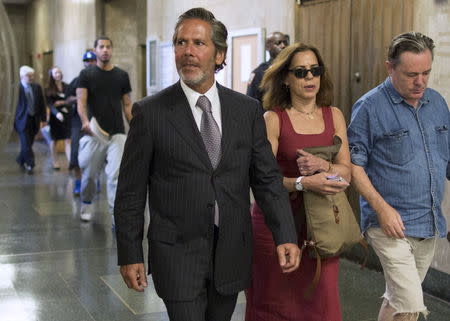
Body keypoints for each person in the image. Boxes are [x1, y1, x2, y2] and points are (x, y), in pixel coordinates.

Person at [114, 8, 300, 321]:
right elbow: (130, 193)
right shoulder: (150, 113)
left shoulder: (246, 111)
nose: (188, 51)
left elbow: (267, 180)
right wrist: (129, 254)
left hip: (230, 251)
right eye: (180, 43)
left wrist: (285, 234)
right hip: (176, 254)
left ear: (218, 54)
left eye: (198, 43)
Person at [245, 42, 351, 321]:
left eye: (315, 71)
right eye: (301, 72)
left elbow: (346, 172)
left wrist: (324, 166)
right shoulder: (273, 119)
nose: (309, 78)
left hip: (320, 228)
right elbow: (262, 181)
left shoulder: (334, 115)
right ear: (285, 78)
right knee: (273, 304)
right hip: (276, 226)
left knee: (322, 303)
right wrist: (303, 183)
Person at [347, 32, 449, 321]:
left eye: (426, 73)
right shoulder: (370, 107)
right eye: (411, 74)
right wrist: (382, 208)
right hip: (388, 225)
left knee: (399, 301)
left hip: (428, 222)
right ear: (390, 68)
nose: (421, 82)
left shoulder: (438, 104)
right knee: (409, 303)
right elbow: (354, 166)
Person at [76, 36, 132, 222]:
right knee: (90, 175)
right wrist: (84, 121)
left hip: (117, 133)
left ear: (112, 50)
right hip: (95, 132)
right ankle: (86, 202)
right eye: (101, 47)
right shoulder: (86, 75)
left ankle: (115, 215)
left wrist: (136, 126)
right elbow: (81, 102)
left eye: (108, 46)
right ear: (95, 50)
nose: (105, 50)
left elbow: (127, 105)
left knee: (115, 175)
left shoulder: (122, 75)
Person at [66, 50, 97, 195]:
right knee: (75, 153)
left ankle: (94, 180)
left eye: (92, 61)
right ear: (84, 62)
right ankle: (78, 183)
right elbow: (67, 99)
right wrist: (79, 98)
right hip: (78, 121)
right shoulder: (77, 80)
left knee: (96, 154)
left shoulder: (101, 79)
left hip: (96, 120)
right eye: (87, 61)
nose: (90, 63)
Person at [14, 66, 46, 174]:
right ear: (22, 76)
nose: (31, 78)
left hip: (34, 120)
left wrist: (44, 118)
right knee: (25, 143)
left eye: (32, 75)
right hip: (21, 120)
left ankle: (20, 159)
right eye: (29, 76)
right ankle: (30, 164)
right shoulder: (16, 88)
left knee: (29, 142)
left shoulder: (37, 87)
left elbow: (42, 103)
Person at [246, 31, 289, 104]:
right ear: (268, 47)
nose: (283, 46)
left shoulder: (292, 68)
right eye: (278, 43)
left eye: (285, 42)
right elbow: (250, 101)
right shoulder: (259, 73)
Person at [45, 66, 71, 169]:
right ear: (51, 75)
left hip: (67, 115)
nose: (58, 74)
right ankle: (55, 162)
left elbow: (71, 99)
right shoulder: (48, 89)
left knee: (68, 139)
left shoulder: (67, 86)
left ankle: (71, 162)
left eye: (59, 72)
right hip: (55, 117)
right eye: (55, 73)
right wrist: (56, 113)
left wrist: (63, 102)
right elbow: (50, 104)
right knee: (54, 140)